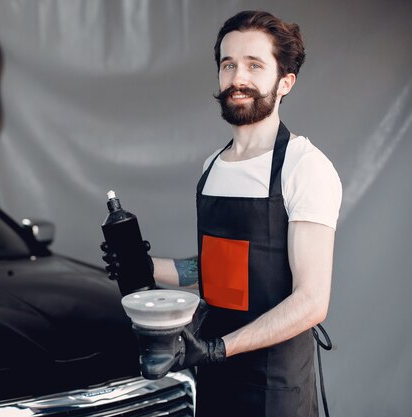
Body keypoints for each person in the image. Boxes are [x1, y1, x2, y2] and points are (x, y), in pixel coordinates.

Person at [103, 10, 342, 417]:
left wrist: (218, 348)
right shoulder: (212, 166)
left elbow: (311, 301)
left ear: (285, 82)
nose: (238, 78)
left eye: (254, 65)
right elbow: (222, 271)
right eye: (228, 64)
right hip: (210, 374)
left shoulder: (305, 166)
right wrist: (145, 265)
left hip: (273, 386)